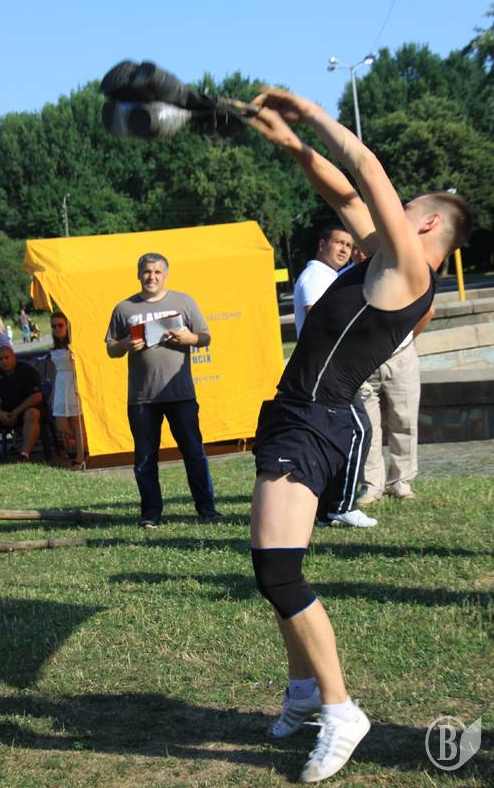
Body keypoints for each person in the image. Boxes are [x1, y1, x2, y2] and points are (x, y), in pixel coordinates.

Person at [248, 89, 471, 783]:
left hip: (314, 419)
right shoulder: (383, 257)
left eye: (404, 208)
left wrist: (310, 112)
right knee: (275, 565)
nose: (383, 211)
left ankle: (341, 709)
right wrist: (293, 146)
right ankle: (303, 689)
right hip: (297, 413)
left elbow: (366, 171)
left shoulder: (409, 271)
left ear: (424, 222)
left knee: (278, 571)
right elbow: (344, 190)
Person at [106, 252, 221, 529]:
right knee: (145, 458)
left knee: (193, 453)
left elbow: (205, 336)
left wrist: (190, 338)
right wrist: (125, 344)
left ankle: (207, 510)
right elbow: (111, 349)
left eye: (157, 272)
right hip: (142, 399)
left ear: (166, 275)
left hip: (181, 395)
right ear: (139, 274)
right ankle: (151, 514)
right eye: (147, 272)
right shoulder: (124, 308)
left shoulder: (183, 301)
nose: (152, 277)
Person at [293, 227, 377, 528]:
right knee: (359, 431)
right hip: (330, 370)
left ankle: (327, 508)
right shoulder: (316, 277)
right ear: (322, 244)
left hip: (331, 368)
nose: (344, 249)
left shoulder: (329, 276)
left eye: (349, 245)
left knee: (340, 436)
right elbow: (319, 318)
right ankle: (341, 505)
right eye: (339, 242)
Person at [358, 306, 434, 503]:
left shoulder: (404, 285)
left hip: (400, 356)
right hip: (362, 357)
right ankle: (371, 485)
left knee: (405, 420)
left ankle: (401, 482)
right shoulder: (352, 286)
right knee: (367, 426)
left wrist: (404, 341)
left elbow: (427, 312)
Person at [0, 346, 44, 467]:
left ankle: (24, 455)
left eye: (7, 357)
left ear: (13, 357)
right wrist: (0, 413)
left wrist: (16, 412)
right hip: (6, 412)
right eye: (0, 359)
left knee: (31, 414)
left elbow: (37, 396)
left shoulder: (27, 370)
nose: (4, 361)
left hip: (27, 409)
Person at [49, 311, 87, 469]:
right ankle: (85, 444)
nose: (57, 329)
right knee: (61, 424)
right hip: (60, 384)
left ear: (67, 326)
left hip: (73, 382)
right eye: (54, 326)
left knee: (77, 421)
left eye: (60, 325)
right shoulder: (54, 348)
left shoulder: (74, 345)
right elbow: (54, 370)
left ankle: (80, 456)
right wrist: (52, 392)